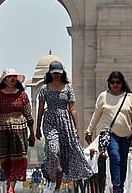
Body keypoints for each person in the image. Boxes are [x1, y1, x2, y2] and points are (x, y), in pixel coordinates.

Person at [35, 61, 92, 193]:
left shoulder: (68, 88)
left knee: (66, 153)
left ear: (62, 74)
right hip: (49, 121)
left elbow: (73, 109)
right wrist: (37, 128)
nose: (56, 75)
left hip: (65, 122)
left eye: (58, 73)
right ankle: (53, 177)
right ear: (50, 73)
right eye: (54, 73)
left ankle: (57, 186)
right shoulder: (44, 89)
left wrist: (77, 128)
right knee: (53, 150)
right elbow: (40, 109)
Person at [84, 71, 132, 193]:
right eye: (112, 82)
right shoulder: (103, 96)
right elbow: (96, 115)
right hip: (109, 134)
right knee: (114, 156)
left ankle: (120, 186)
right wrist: (89, 130)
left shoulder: (129, 97)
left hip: (125, 136)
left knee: (123, 162)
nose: (115, 85)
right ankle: (117, 188)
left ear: (122, 83)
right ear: (109, 83)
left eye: (117, 82)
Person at [0, 68, 35, 193]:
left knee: (18, 158)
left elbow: (28, 114)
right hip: (2, 130)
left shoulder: (22, 95)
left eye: (14, 76)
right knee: (5, 159)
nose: (13, 79)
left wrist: (32, 133)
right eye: (10, 77)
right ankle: (10, 183)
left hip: (20, 130)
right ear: (4, 79)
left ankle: (11, 187)